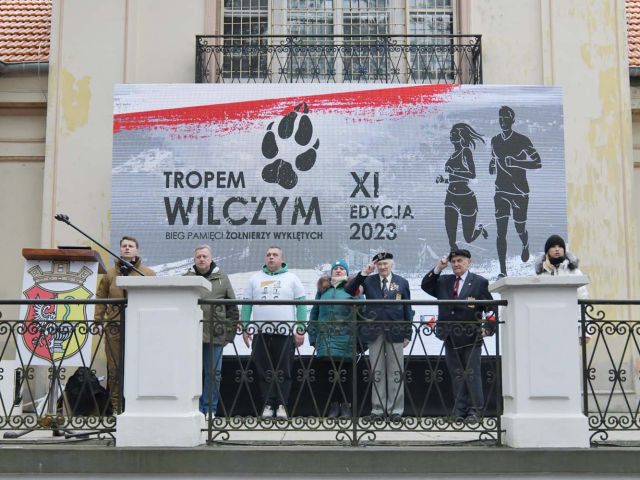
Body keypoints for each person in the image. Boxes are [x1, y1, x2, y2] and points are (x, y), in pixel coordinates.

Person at [421, 249, 493, 421]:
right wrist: (439, 268)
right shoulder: (444, 281)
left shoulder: (479, 282)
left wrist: (488, 328)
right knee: (457, 375)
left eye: (460, 261)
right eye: (453, 262)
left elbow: (491, 308)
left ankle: (475, 411)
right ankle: (459, 411)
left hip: (471, 337)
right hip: (449, 335)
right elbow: (426, 285)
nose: (456, 264)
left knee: (472, 375)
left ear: (469, 262)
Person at [345, 252, 412, 421]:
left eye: (385, 264)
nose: (382, 267)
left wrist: (408, 333)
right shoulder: (368, 281)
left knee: (396, 371)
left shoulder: (402, 282)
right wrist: (364, 273)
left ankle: (395, 411)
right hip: (374, 331)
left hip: (396, 331)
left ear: (391, 264)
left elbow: (407, 308)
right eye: (379, 264)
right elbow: (350, 291)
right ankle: (378, 410)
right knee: (377, 372)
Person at [241, 246, 306, 420]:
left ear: (282, 259)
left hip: (285, 333)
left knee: (284, 371)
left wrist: (300, 329)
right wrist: (246, 327)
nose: (271, 257)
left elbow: (301, 305)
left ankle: (282, 405)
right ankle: (268, 405)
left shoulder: (292, 278)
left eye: (275, 255)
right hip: (261, 333)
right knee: (264, 370)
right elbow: (246, 304)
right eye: (268, 254)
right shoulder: (255, 278)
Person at [94, 236, 156, 413]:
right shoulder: (110, 274)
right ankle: (117, 407)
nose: (127, 248)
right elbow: (100, 298)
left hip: (140, 328)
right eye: (124, 246)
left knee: (140, 367)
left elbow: (154, 298)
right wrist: (98, 320)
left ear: (137, 250)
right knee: (114, 368)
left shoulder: (148, 274)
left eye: (131, 246)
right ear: (120, 249)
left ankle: (140, 407)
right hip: (114, 328)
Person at [184, 245, 239, 417]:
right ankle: (193, 409)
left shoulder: (222, 278)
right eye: (199, 256)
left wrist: (228, 335)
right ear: (194, 259)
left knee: (213, 374)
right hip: (191, 336)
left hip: (216, 335)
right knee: (191, 373)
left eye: (205, 256)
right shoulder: (186, 278)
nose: (202, 259)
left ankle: (209, 410)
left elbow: (232, 308)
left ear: (211, 258)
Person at [490, 106, 541, 277]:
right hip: (501, 191)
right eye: (500, 118)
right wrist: (491, 166)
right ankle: (503, 271)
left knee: (520, 228)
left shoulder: (522, 140)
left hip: (519, 192)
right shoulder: (495, 140)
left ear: (512, 120)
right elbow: (493, 158)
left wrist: (517, 163)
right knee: (501, 232)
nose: (502, 121)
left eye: (506, 118)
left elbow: (538, 162)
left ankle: (525, 243)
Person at [308, 259, 362, 418]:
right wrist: (313, 337)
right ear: (331, 272)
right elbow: (314, 313)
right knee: (328, 375)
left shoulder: (353, 288)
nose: (338, 270)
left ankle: (345, 406)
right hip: (325, 340)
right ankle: (333, 406)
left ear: (347, 272)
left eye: (342, 269)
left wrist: (361, 341)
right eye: (335, 268)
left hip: (346, 340)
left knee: (345, 376)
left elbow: (361, 313)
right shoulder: (323, 290)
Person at [436, 123, 488, 250]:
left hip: (466, 198)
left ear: (461, 137)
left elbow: (472, 174)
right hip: (451, 197)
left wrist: (453, 171)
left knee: (468, 238)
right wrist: (443, 180)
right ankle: (454, 255)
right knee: (451, 239)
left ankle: (480, 229)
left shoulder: (466, 152)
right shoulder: (453, 155)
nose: (451, 136)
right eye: (451, 133)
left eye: (454, 134)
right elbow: (455, 179)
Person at [534, 234, 590, 342]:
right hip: (546, 327)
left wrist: (584, 332)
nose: (557, 249)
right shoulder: (540, 275)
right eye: (553, 246)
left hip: (570, 325)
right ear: (547, 251)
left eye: (560, 246)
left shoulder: (574, 272)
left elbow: (583, 301)